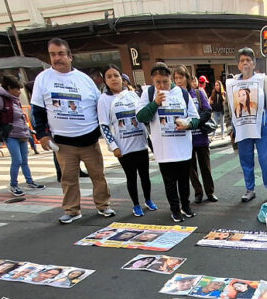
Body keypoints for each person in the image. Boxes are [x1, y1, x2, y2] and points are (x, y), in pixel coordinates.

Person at [31, 38, 114, 224]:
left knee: (97, 175)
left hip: (88, 138)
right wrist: (42, 134)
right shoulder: (43, 79)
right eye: (52, 54)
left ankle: (103, 204)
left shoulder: (84, 80)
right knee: (68, 178)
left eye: (60, 54)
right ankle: (72, 210)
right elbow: (37, 110)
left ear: (70, 56)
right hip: (63, 141)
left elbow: (98, 106)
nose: (56, 58)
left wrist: (101, 132)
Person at [136, 62, 200, 223]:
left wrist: (188, 124)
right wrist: (155, 103)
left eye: (165, 81)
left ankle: (186, 206)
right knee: (170, 182)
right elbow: (141, 117)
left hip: (183, 146)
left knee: (184, 181)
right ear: (152, 81)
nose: (162, 85)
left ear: (170, 78)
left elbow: (195, 117)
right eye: (158, 82)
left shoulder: (182, 93)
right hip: (164, 148)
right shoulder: (149, 93)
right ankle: (175, 209)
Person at [97, 65, 156, 217]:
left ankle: (148, 200)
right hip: (124, 147)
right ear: (105, 80)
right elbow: (104, 125)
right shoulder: (104, 100)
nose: (113, 79)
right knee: (131, 177)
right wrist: (113, 146)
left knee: (145, 176)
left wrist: (150, 140)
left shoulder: (133, 95)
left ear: (122, 78)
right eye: (109, 76)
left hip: (140, 144)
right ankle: (136, 204)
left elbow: (143, 117)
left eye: (116, 75)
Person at [225, 48, 267, 203]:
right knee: (246, 159)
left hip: (263, 126)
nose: (245, 63)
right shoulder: (232, 84)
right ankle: (250, 189)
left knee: (265, 158)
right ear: (238, 65)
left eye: (248, 60)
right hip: (242, 127)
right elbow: (227, 107)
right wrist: (230, 128)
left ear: (254, 63)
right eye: (242, 60)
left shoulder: (262, 80)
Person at [0, 75, 45, 196]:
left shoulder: (13, 99)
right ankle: (13, 184)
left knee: (24, 160)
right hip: (11, 134)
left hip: (22, 132)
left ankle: (30, 181)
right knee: (17, 160)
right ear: (9, 88)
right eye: (17, 89)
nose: (19, 92)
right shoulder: (0, 99)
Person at [174, 65, 217, 204]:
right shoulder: (174, 97)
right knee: (191, 169)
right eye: (176, 78)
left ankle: (210, 192)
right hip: (185, 139)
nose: (178, 81)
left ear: (187, 78)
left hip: (201, 137)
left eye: (181, 77)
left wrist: (194, 123)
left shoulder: (197, 93)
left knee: (206, 167)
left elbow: (207, 110)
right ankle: (198, 192)